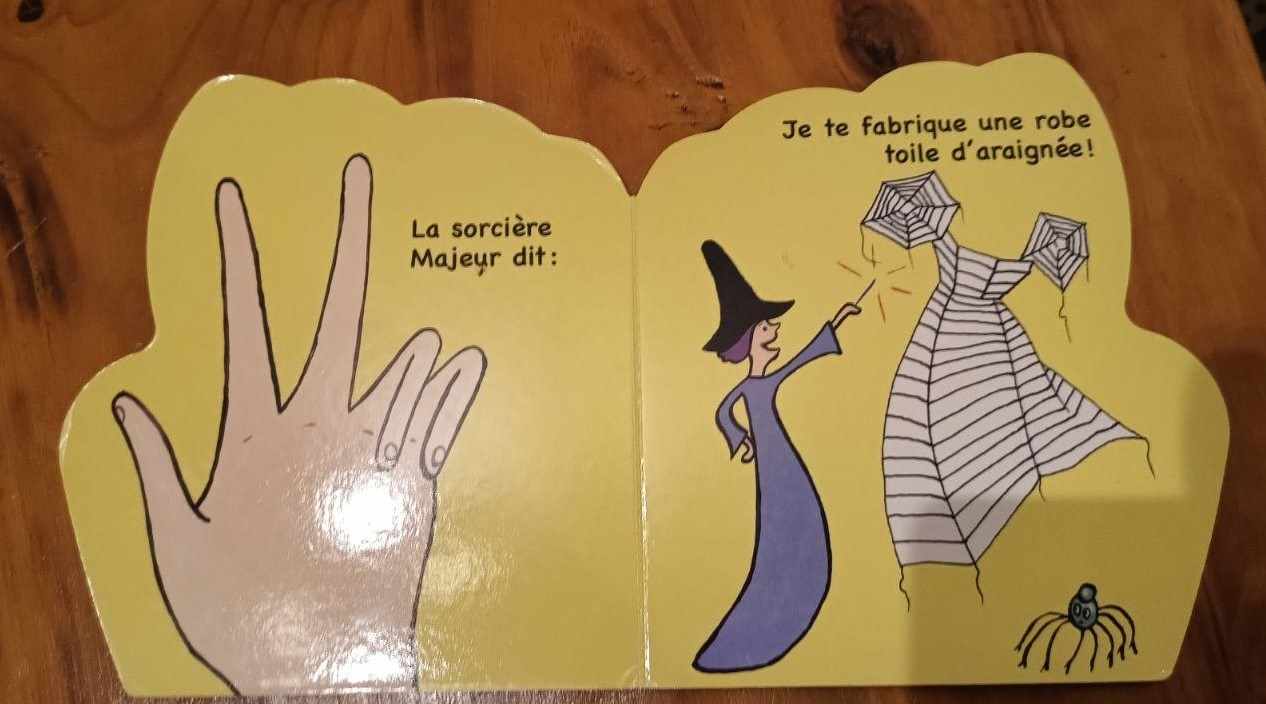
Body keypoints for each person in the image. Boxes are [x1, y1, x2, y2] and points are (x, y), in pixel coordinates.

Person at [694, 240, 862, 673]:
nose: (774, 331)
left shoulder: (766, 381)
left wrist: (838, 322)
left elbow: (804, 357)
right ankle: (761, 618)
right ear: (749, 338)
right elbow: (723, 412)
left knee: (798, 515)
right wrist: (739, 439)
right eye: (767, 326)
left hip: (783, 461)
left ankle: (798, 580)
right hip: (774, 466)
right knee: (780, 522)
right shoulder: (748, 388)